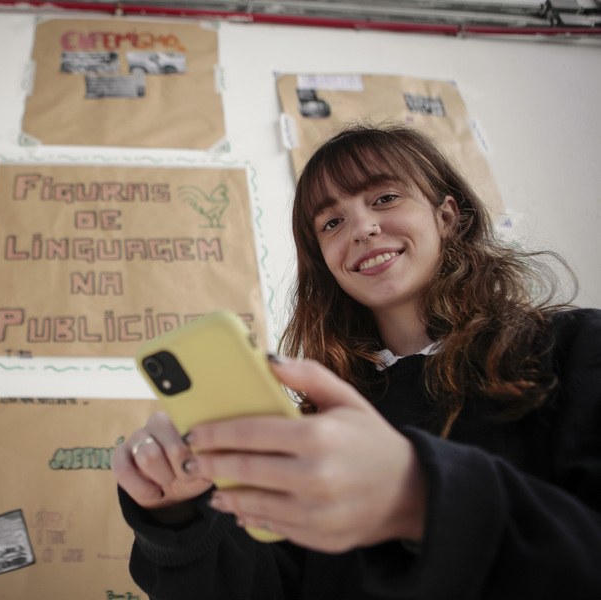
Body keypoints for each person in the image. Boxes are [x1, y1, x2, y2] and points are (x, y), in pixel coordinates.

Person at [111, 123, 601, 599]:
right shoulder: (316, 429)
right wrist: (178, 517)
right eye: (332, 223)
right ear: (324, 262)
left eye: (384, 198)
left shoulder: (578, 349)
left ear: (447, 217)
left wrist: (418, 494)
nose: (363, 228)